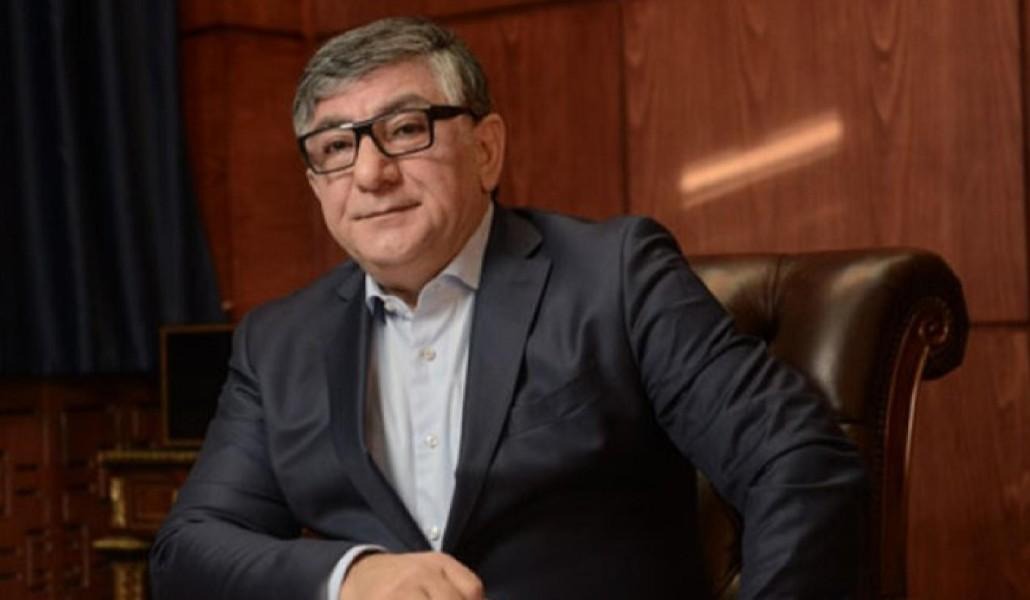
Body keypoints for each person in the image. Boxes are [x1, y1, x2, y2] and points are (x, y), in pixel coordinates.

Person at [150, 16, 866, 600]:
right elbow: (188, 550)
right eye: (336, 147)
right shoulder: (279, 341)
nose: (370, 173)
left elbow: (798, 464)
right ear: (316, 185)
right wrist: (350, 576)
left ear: (486, 150)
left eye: (406, 129)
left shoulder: (616, 277)